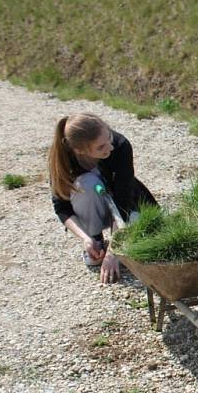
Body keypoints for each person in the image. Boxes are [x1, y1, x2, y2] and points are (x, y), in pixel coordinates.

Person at [49, 113, 157, 283]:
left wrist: (113, 251)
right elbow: (61, 208)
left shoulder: (120, 146)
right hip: (95, 205)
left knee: (144, 236)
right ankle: (96, 242)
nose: (110, 147)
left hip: (124, 205)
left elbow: (124, 199)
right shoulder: (63, 161)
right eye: (101, 147)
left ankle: (117, 242)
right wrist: (86, 239)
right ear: (80, 150)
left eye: (109, 137)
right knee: (85, 184)